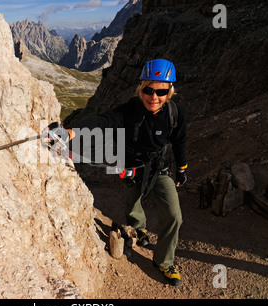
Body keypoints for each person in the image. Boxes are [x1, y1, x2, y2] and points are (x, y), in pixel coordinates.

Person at [43, 59, 187, 287]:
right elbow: (104, 120)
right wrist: (71, 131)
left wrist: (181, 169)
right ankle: (138, 230)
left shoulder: (174, 113)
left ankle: (164, 262)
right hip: (130, 165)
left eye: (161, 91)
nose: (154, 97)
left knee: (174, 215)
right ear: (142, 89)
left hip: (159, 168)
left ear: (170, 91)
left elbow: (179, 141)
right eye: (148, 90)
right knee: (133, 202)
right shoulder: (131, 109)